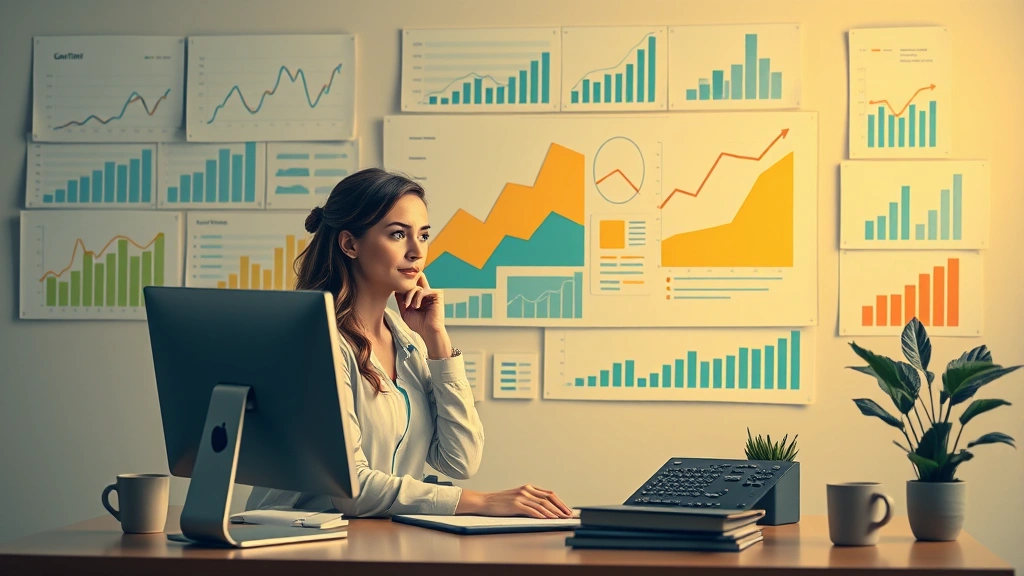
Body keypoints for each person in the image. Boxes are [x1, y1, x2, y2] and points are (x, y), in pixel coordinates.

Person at [246, 168, 573, 519]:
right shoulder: (318, 343)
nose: (417, 251)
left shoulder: (408, 343)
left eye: (424, 235)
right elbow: (351, 490)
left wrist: (437, 342)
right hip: (291, 542)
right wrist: (485, 502)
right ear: (350, 244)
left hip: (370, 538)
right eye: (398, 234)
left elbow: (459, 459)